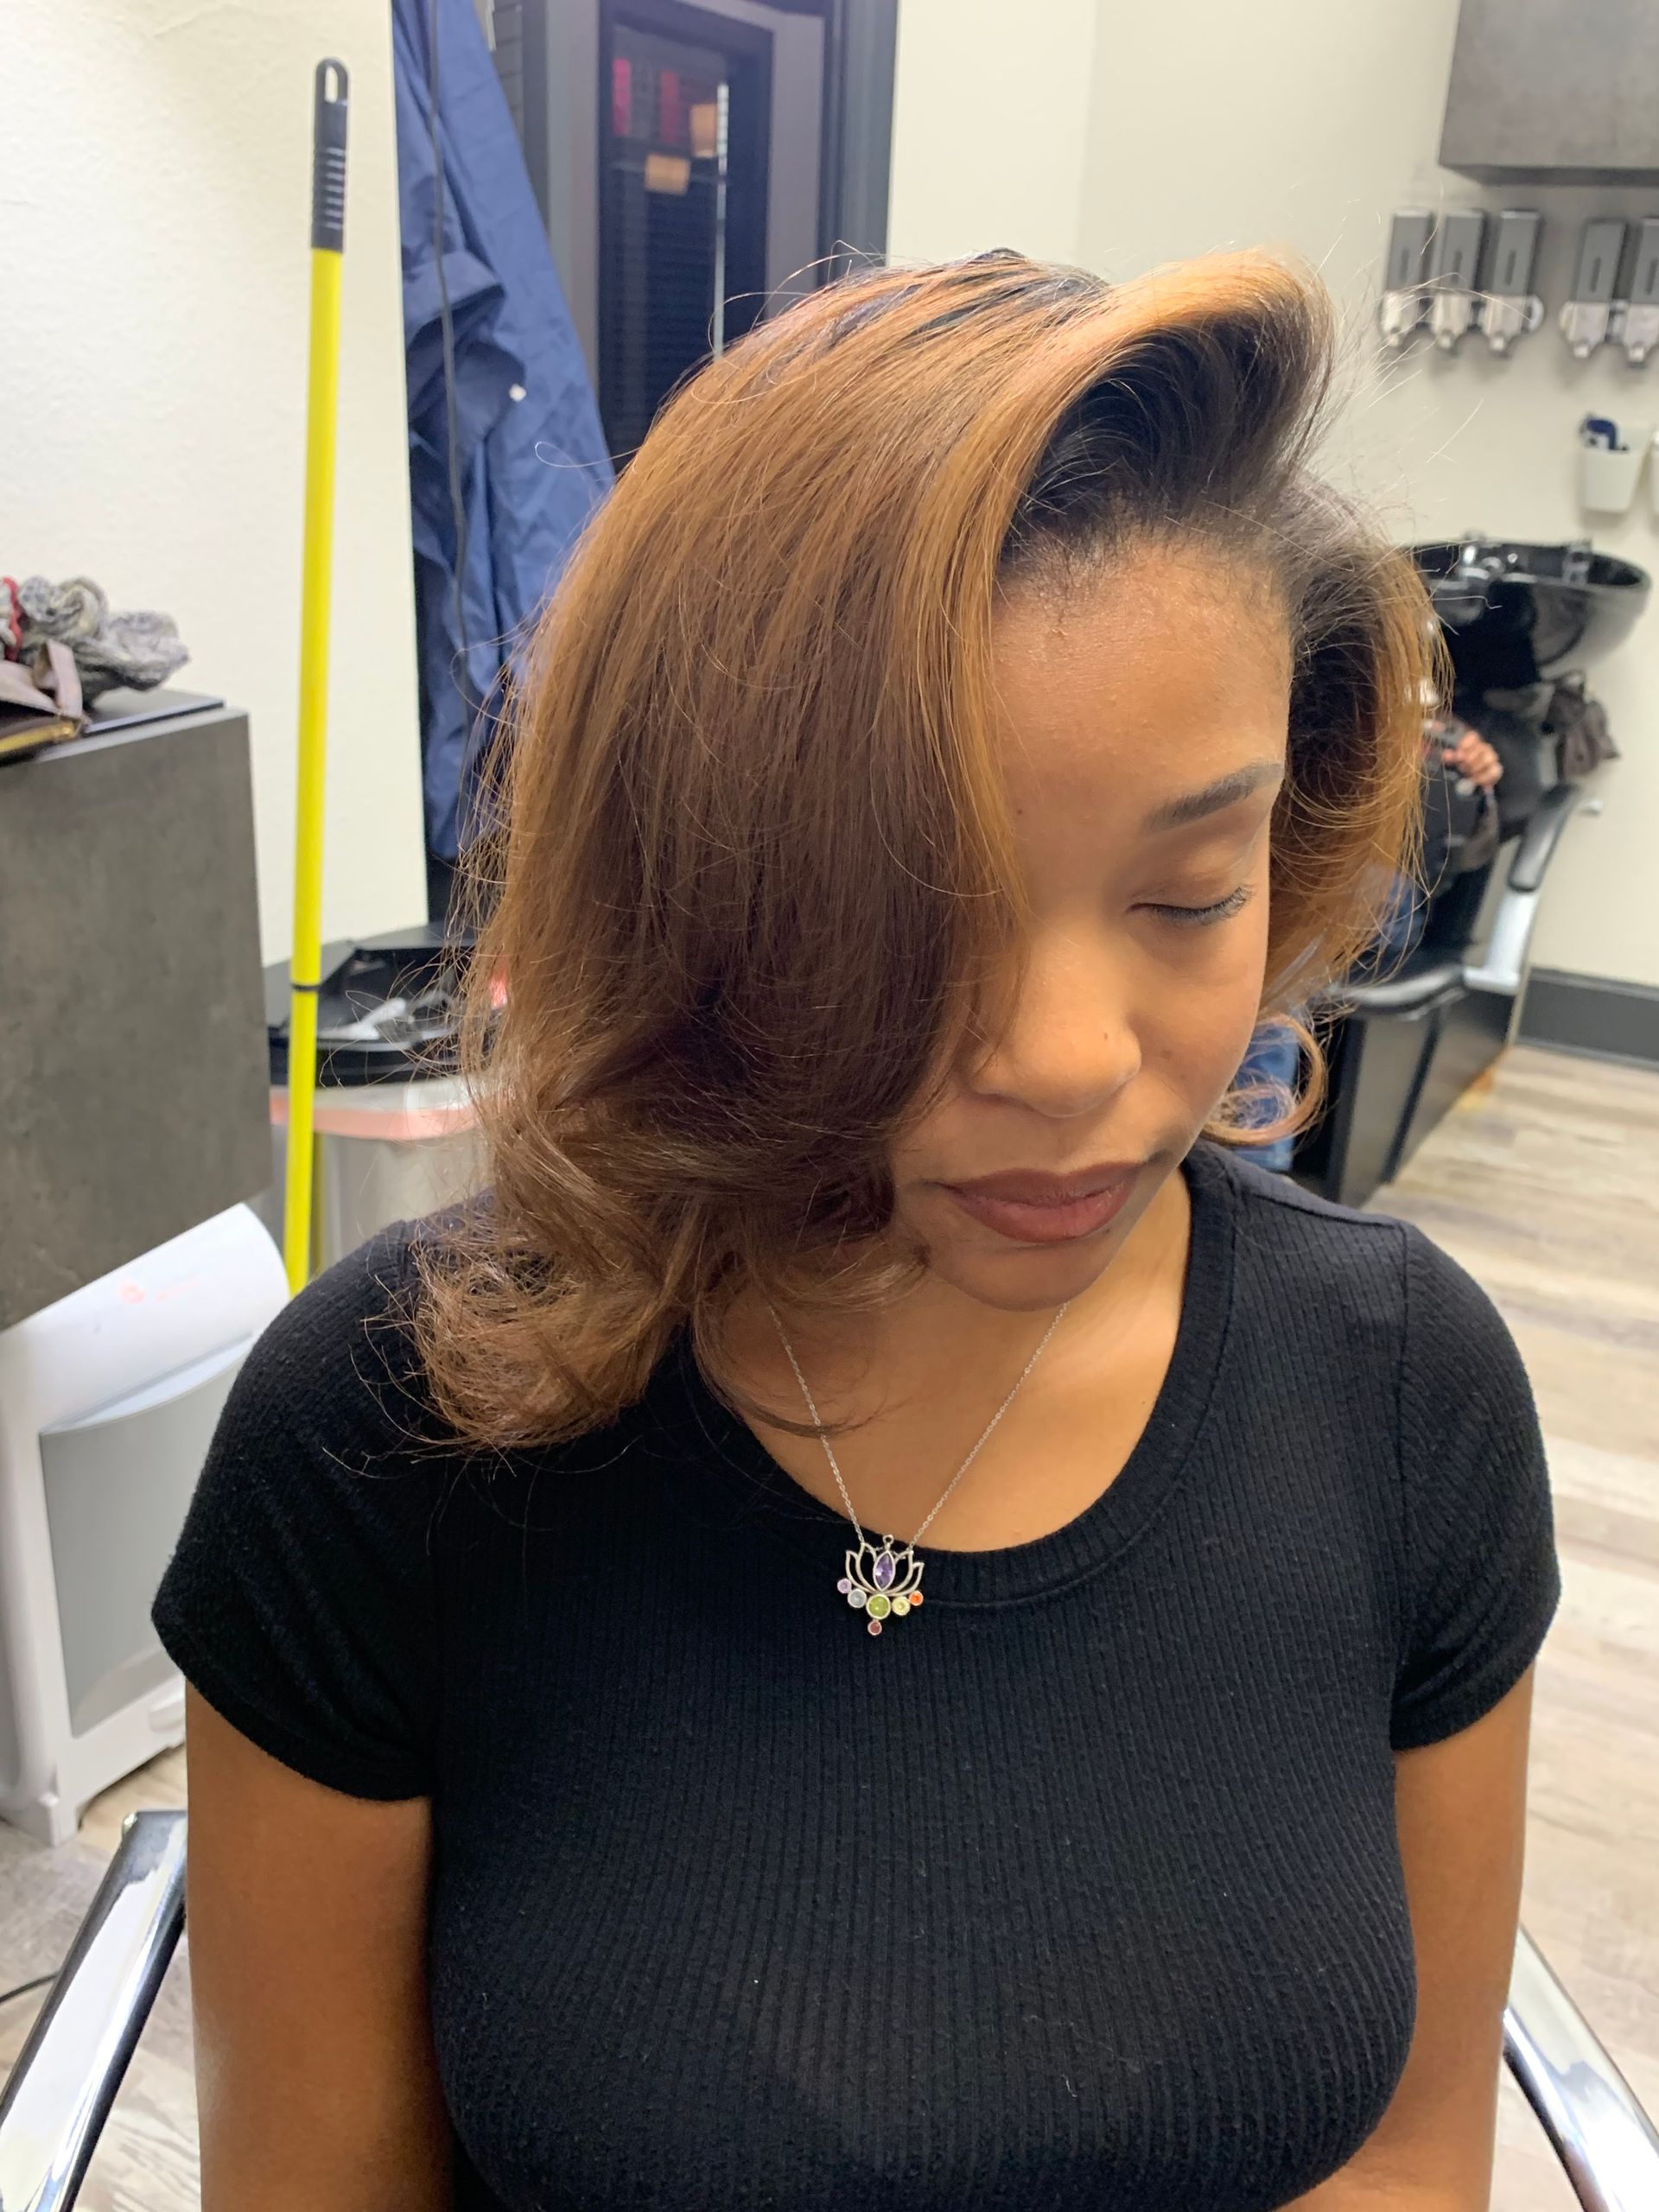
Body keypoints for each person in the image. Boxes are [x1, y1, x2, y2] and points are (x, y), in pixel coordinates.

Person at [155, 250, 1560, 2211]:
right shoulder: (391, 1433)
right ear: (696, 886)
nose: (1071, 1061)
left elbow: (1412, 2152)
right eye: (921, 917)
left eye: (1183, 895)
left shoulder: (1406, 1392)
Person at [1235, 713, 1505, 1171]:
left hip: (1377, 893)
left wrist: (1478, 769)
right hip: (1285, 867)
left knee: (1281, 940)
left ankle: (1255, 1168)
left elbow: (1495, 794)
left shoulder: (1430, 732)